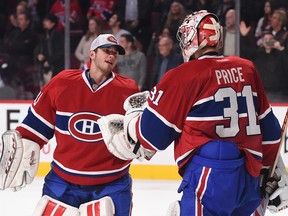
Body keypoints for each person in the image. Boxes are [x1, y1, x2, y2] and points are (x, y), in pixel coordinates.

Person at [98, 10, 285, 215]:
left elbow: (152, 138)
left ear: (193, 38)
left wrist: (133, 120)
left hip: (211, 177)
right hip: (249, 176)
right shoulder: (246, 68)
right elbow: (270, 131)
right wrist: (271, 171)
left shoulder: (184, 75)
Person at [0, 34, 139, 216]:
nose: (111, 56)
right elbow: (35, 127)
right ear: (91, 54)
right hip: (63, 182)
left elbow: (140, 133)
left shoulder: (128, 90)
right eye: (106, 51)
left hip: (112, 183)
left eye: (115, 53)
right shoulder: (63, 82)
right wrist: (23, 144)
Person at [36, 13, 65, 85]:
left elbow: (60, 51)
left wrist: (49, 61)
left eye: (46, 21)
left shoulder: (57, 35)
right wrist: (39, 55)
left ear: (52, 23)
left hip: (55, 67)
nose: (44, 22)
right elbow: (40, 49)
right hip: (45, 67)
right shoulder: (44, 35)